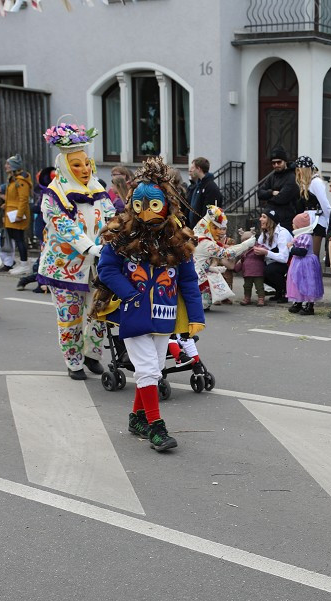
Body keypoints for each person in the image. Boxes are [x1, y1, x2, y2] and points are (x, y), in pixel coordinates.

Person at [95, 156, 206, 451]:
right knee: (146, 370)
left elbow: (188, 280)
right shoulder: (122, 234)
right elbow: (105, 269)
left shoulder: (177, 238)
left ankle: (137, 418)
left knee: (154, 368)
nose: (146, 213)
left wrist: (195, 316)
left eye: (154, 205)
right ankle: (157, 427)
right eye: (141, 206)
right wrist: (129, 294)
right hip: (134, 313)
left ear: (166, 204)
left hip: (165, 314)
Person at [37, 123, 116, 379]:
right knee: (70, 317)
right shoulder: (53, 196)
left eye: (86, 163)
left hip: (98, 264)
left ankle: (93, 354)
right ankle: (73, 360)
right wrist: (90, 247)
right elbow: (63, 227)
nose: (84, 170)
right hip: (65, 268)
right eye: (77, 165)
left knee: (99, 311)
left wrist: (119, 239)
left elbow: (112, 217)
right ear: (64, 166)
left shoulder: (98, 190)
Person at [192, 205, 254, 309]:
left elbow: (197, 261)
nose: (221, 232)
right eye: (215, 228)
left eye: (221, 228)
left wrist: (211, 268)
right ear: (207, 226)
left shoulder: (196, 236)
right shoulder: (205, 242)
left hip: (194, 276)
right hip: (197, 281)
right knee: (201, 306)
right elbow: (226, 253)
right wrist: (245, 245)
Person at [285, 211, 323, 315]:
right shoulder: (298, 235)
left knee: (307, 283)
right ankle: (298, 302)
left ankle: (309, 305)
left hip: (306, 263)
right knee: (297, 282)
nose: (292, 225)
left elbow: (302, 251)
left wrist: (291, 248)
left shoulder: (305, 236)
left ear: (299, 225)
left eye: (294, 223)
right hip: (298, 263)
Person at [1, 154, 33, 274]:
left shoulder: (21, 181)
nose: (6, 166)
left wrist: (19, 214)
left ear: (14, 166)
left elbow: (23, 199)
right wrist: (6, 204)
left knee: (20, 239)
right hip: (11, 213)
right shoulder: (13, 179)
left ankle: (24, 264)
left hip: (17, 215)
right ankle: (21, 263)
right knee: (16, 238)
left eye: (8, 164)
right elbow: (14, 197)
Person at [256, 146, 298, 231]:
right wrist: (271, 192)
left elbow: (281, 198)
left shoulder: (291, 177)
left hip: (285, 221)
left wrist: (268, 197)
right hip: (271, 218)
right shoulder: (272, 176)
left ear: (285, 161)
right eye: (273, 163)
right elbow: (260, 193)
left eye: (279, 162)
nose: (276, 165)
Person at [293, 156, 331, 242]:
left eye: (299, 170)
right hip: (308, 220)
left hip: (316, 221)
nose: (298, 173)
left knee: (313, 253)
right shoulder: (307, 183)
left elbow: (324, 204)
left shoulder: (316, 182)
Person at [185, 157, 223, 228]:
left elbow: (210, 212)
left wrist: (202, 227)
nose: (190, 170)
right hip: (194, 228)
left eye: (193, 168)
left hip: (203, 230)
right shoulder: (198, 186)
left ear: (199, 169)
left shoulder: (211, 187)